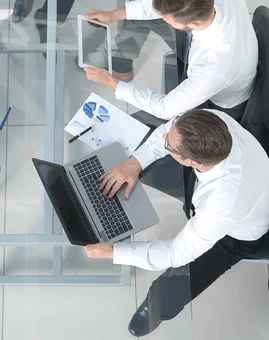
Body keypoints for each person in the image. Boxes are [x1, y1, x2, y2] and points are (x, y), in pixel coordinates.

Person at [85, 109, 269, 336]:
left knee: (177, 284)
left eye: (169, 145)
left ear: (192, 161)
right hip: (225, 190)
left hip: (239, 234)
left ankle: (158, 308)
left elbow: (174, 253)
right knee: (147, 160)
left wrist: (113, 252)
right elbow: (166, 130)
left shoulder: (221, 203)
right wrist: (135, 163)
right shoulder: (213, 121)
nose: (164, 139)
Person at [84, 0, 258, 125]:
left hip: (220, 100)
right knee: (139, 0)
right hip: (208, 56)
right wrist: (113, 15)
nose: (165, 21)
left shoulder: (213, 67)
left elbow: (165, 108)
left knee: (154, 124)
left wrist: (110, 83)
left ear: (193, 24)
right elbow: (157, 7)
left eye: (168, 21)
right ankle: (122, 67)